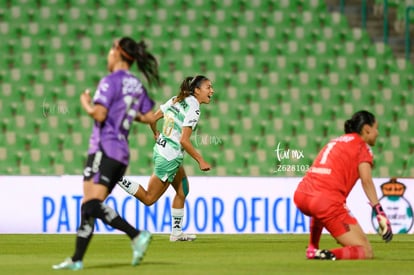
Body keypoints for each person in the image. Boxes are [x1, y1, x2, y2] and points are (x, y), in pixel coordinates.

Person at [53, 37, 160, 270]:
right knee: (89, 206)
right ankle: (77, 259)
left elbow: (99, 115)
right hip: (121, 152)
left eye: (112, 48)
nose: (108, 53)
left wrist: (85, 103)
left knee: (91, 205)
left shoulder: (110, 81)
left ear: (119, 53)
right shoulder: (136, 84)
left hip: (104, 148)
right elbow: (149, 116)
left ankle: (136, 235)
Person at [117, 75, 214, 241]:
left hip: (162, 150)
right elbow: (184, 140)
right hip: (170, 157)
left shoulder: (176, 99)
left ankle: (176, 233)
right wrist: (200, 160)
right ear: (197, 90)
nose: (211, 91)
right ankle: (117, 178)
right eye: (208, 87)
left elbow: (152, 119)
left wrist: (156, 133)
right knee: (149, 199)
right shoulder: (194, 109)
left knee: (183, 191)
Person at [294, 110, 393, 260]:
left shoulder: (336, 141)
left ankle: (312, 247)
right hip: (325, 202)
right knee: (365, 251)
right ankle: (329, 255)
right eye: (375, 128)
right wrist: (379, 212)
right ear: (367, 129)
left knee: (319, 205)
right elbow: (366, 180)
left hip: (302, 195)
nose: (377, 133)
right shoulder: (362, 147)